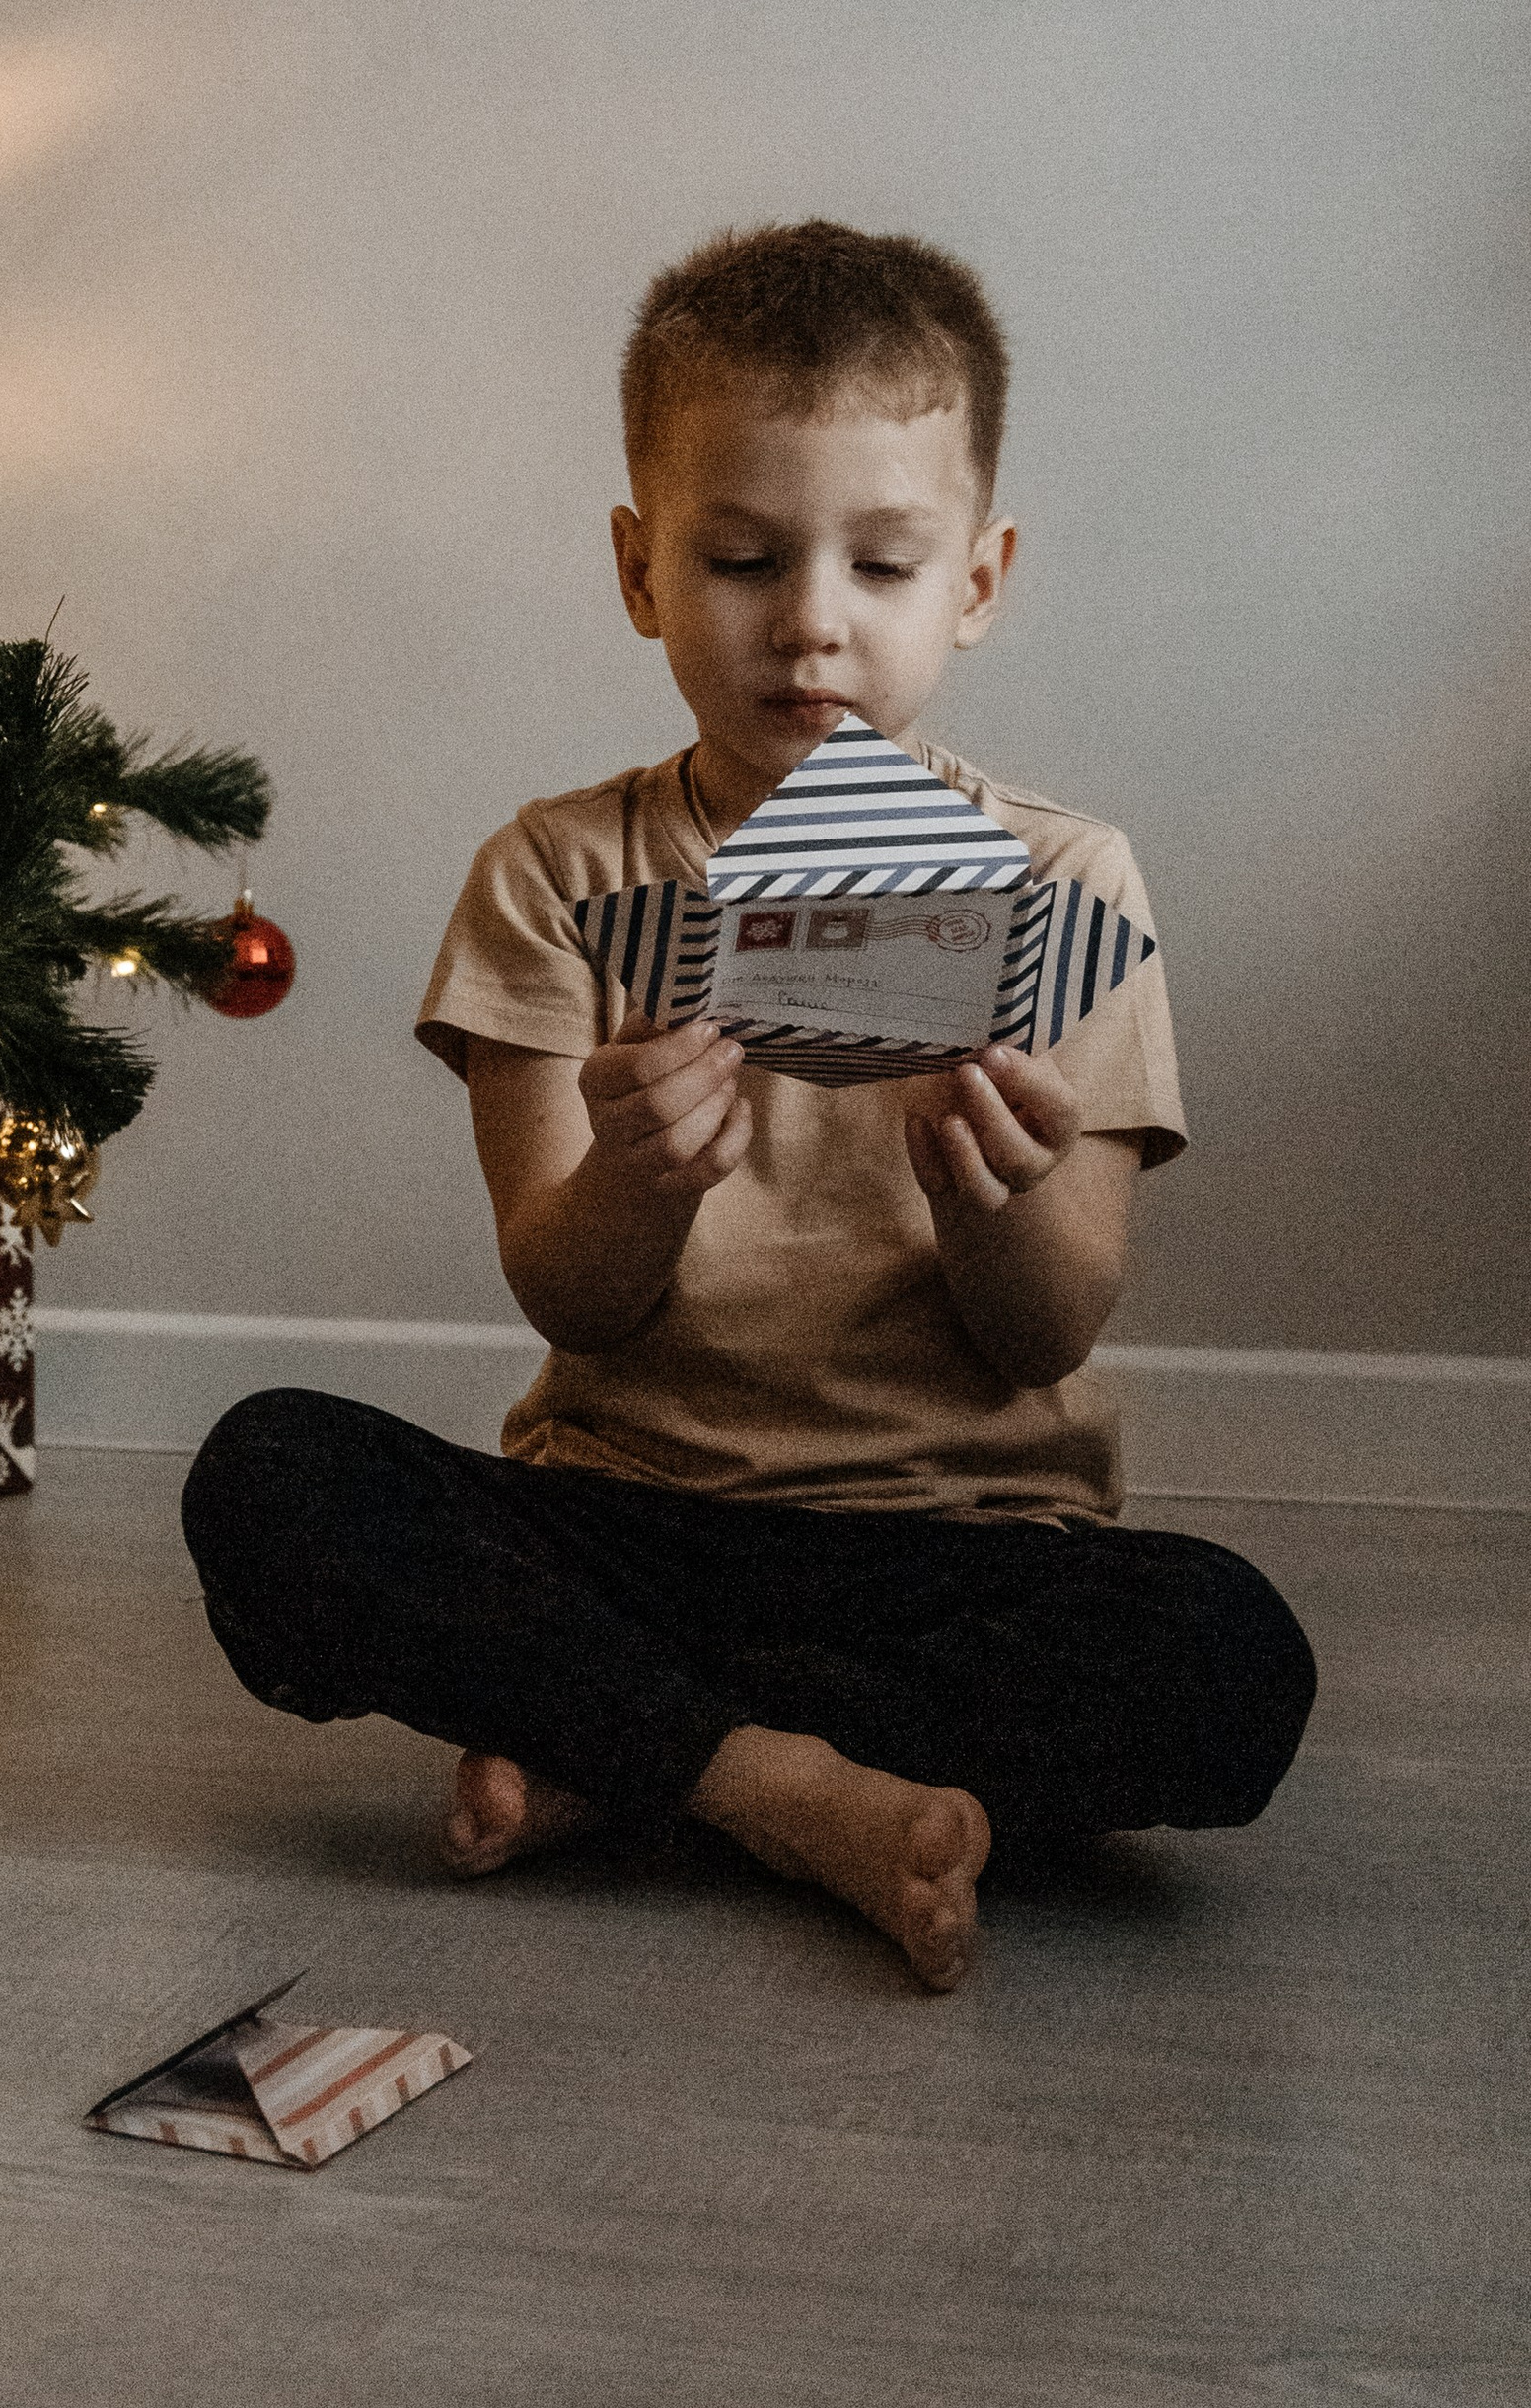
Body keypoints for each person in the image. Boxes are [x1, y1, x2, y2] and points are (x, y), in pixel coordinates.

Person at [182, 223, 1314, 1991]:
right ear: (639, 570)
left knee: (1231, 1656)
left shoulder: (1062, 881)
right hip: (631, 1526)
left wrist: (989, 1191)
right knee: (273, 1473)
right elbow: (569, 1298)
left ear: (980, 580)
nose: (809, 621)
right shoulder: (557, 875)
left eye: (882, 563)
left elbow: (1050, 1330)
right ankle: (784, 1784)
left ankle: (633, 1761)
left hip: (965, 1550)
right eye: (739, 558)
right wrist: (638, 1177)